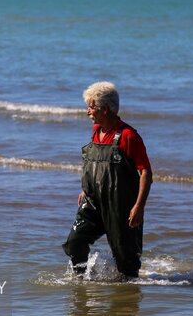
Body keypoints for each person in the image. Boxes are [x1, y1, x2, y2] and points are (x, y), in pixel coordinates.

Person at [63, 81, 152, 278]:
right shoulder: (96, 131)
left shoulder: (129, 136)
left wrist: (138, 207)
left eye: (91, 106)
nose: (88, 112)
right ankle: (80, 281)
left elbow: (146, 172)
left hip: (121, 207)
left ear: (105, 109)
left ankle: (126, 298)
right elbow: (96, 165)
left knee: (127, 265)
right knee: (75, 241)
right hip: (94, 202)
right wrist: (86, 190)